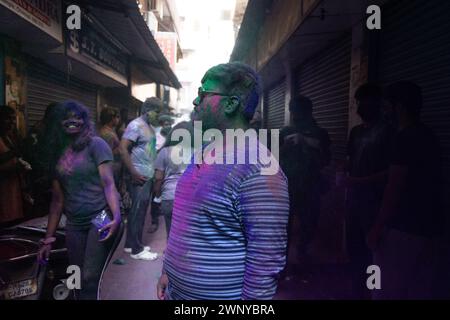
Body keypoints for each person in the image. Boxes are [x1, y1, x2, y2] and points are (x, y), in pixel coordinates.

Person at [157, 62, 289, 300]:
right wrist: (168, 270)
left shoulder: (259, 169)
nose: (196, 102)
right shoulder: (204, 152)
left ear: (231, 104)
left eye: (203, 94)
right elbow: (185, 225)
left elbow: (265, 261)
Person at [367, 81, 445, 299]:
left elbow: (394, 187)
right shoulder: (429, 136)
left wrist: (377, 227)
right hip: (431, 229)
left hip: (402, 230)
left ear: (398, 107)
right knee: (419, 289)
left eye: (386, 106)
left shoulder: (404, 138)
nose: (383, 111)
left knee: (379, 285)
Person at [37, 101, 122, 300]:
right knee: (75, 274)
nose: (72, 121)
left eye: (77, 117)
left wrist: (116, 217)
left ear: (85, 121)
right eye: (67, 117)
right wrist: (48, 240)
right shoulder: (58, 153)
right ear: (59, 123)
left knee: (90, 275)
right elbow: (57, 201)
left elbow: (109, 184)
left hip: (101, 215)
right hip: (74, 223)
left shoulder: (96, 144)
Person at [344, 83, 394, 299]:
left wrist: (360, 180)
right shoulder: (356, 132)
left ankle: (372, 292)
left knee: (375, 254)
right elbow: (350, 161)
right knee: (356, 251)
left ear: (378, 103)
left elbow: (394, 172)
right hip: (354, 202)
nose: (359, 107)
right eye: (358, 101)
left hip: (375, 203)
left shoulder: (389, 131)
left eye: (364, 101)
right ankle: (358, 291)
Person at [279, 95, 331, 270]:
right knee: (283, 229)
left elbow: (326, 160)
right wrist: (285, 147)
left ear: (307, 112)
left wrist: (309, 143)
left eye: (297, 111)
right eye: (293, 111)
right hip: (288, 188)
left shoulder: (320, 134)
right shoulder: (285, 132)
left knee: (309, 225)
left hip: (311, 187)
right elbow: (272, 158)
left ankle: (302, 254)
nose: (294, 115)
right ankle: (283, 263)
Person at [119, 97, 162, 260]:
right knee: (138, 212)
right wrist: (133, 173)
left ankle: (131, 245)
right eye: (157, 112)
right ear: (147, 110)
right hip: (140, 176)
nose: (158, 115)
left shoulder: (148, 127)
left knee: (138, 212)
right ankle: (137, 250)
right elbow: (122, 149)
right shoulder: (135, 125)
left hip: (146, 175)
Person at [153, 121, 193, 238]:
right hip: (188, 197)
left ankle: (170, 253)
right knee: (187, 234)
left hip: (169, 196)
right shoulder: (196, 152)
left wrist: (158, 195)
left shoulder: (164, 152)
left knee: (170, 232)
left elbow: (158, 178)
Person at [0, 106, 29, 224]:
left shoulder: (7, 136)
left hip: (12, 192)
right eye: (8, 119)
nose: (12, 122)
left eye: (13, 119)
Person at [99, 107, 122, 186]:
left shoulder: (110, 131)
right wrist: (120, 150)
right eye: (117, 117)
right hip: (110, 171)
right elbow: (106, 154)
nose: (119, 119)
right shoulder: (107, 134)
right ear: (112, 118)